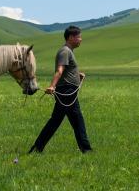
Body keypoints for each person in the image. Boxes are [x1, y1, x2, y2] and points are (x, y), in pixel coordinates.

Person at [28, 25, 92, 154]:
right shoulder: (65, 51)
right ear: (71, 37)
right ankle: (86, 149)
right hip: (66, 92)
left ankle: (37, 148)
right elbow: (60, 70)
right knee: (69, 121)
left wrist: (77, 75)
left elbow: (66, 71)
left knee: (65, 120)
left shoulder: (69, 51)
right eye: (79, 37)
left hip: (68, 91)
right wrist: (52, 86)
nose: (80, 40)